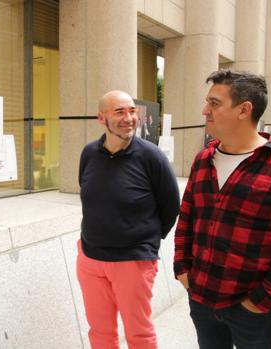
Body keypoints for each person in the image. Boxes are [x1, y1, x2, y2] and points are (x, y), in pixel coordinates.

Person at [174, 69, 271, 349]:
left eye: (214, 103)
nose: (205, 111)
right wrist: (182, 268)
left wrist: (260, 300)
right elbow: (187, 217)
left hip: (255, 311)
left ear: (244, 110)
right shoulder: (204, 160)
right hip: (202, 299)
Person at [77, 90, 180, 349]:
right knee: (99, 332)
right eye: (120, 112)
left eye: (132, 111)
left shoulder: (151, 156)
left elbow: (170, 206)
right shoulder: (89, 153)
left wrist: (145, 242)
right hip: (91, 259)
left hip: (133, 261)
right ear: (102, 118)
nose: (129, 118)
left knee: (139, 334)